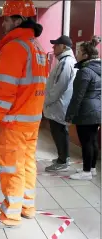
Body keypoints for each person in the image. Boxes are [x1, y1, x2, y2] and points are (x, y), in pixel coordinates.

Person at [0, 0, 48, 229]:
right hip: (31, 121)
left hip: (13, 122)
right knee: (27, 164)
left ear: (18, 20)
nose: (3, 24)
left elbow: (4, 89)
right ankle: (27, 207)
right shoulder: (37, 47)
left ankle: (9, 216)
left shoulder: (14, 47)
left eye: (6, 19)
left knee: (11, 167)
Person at [66, 36, 101, 180]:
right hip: (97, 110)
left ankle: (86, 172)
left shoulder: (84, 71)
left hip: (86, 112)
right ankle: (92, 169)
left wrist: (69, 116)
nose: (76, 54)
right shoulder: (98, 69)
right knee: (93, 141)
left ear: (86, 55)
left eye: (79, 52)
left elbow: (77, 96)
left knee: (86, 142)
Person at [44, 35, 77, 172]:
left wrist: (47, 101)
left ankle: (63, 161)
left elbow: (59, 87)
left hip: (58, 105)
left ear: (63, 47)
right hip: (58, 105)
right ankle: (63, 158)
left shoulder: (66, 63)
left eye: (56, 45)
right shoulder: (65, 61)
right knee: (60, 132)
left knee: (59, 133)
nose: (53, 47)